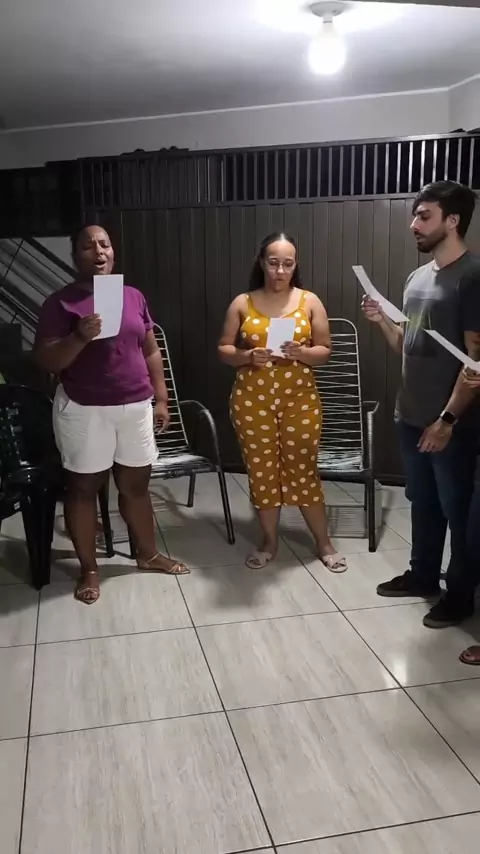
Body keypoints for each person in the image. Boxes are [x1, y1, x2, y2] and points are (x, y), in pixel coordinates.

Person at [34, 224, 188, 604]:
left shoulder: (132, 296)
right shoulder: (60, 303)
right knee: (84, 489)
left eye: (104, 244)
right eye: (88, 246)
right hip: (84, 409)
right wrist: (79, 337)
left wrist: (162, 398)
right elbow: (48, 360)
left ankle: (148, 554)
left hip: (134, 406)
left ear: (113, 252)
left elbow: (150, 349)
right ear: (75, 256)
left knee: (135, 487)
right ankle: (89, 569)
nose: (99, 251)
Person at [362, 180, 480, 628]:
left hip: (452, 424)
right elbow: (408, 347)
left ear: (453, 221)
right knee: (423, 502)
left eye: (424, 216)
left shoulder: (472, 277)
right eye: (414, 215)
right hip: (409, 414)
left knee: (458, 510)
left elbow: (475, 365)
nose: (414, 224)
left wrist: (447, 420)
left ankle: (460, 595)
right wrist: (380, 321)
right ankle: (423, 576)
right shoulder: (416, 279)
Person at [218, 231, 345, 571]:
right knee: (261, 471)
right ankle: (269, 542)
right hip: (251, 400)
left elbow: (325, 351)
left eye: (287, 264)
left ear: (295, 265)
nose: (280, 271)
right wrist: (247, 356)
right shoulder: (243, 302)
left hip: (299, 399)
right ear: (262, 263)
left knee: (303, 468)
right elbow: (224, 349)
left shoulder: (309, 301)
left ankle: (323, 542)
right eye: (273, 263)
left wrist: (302, 353)